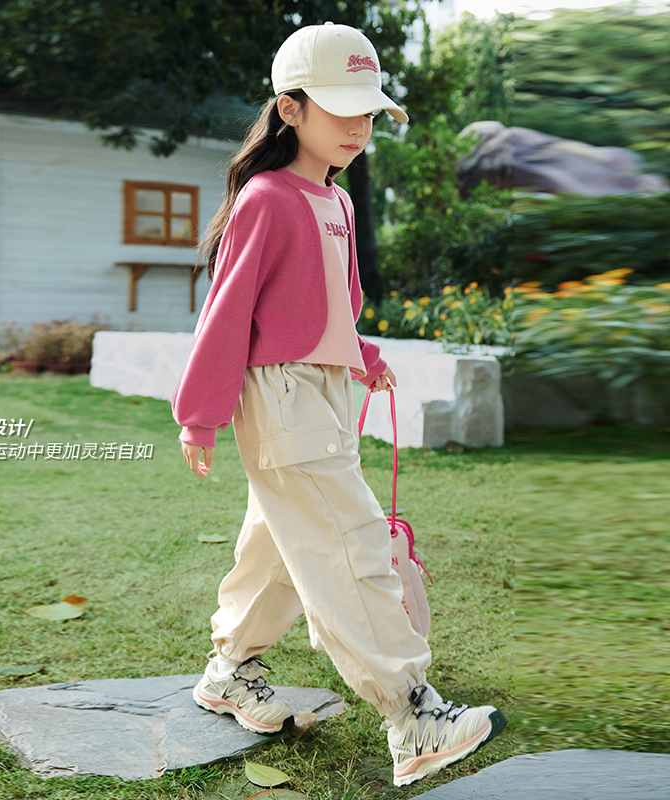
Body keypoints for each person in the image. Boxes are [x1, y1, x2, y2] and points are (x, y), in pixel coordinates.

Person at [172, 21, 506, 787]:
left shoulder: (334, 199)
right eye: (341, 109)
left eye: (368, 111)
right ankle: (412, 714)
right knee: (348, 543)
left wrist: (368, 357)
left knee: (282, 552)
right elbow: (228, 312)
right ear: (289, 110)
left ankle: (229, 671)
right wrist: (200, 414)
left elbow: (333, 307)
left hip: (321, 392)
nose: (359, 126)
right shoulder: (266, 197)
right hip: (281, 395)